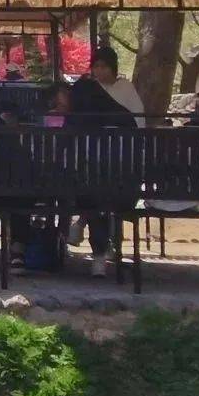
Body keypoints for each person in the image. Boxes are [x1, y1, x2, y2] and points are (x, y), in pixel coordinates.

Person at [67, 65, 138, 277]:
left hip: (87, 193)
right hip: (126, 193)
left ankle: (91, 244)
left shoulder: (76, 121)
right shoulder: (124, 117)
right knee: (100, 191)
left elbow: (70, 160)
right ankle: (96, 249)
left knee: (92, 194)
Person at [90, 46, 145, 128]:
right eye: (96, 66)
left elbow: (138, 115)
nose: (99, 70)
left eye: (103, 66)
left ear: (112, 67)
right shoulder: (91, 88)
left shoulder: (126, 87)